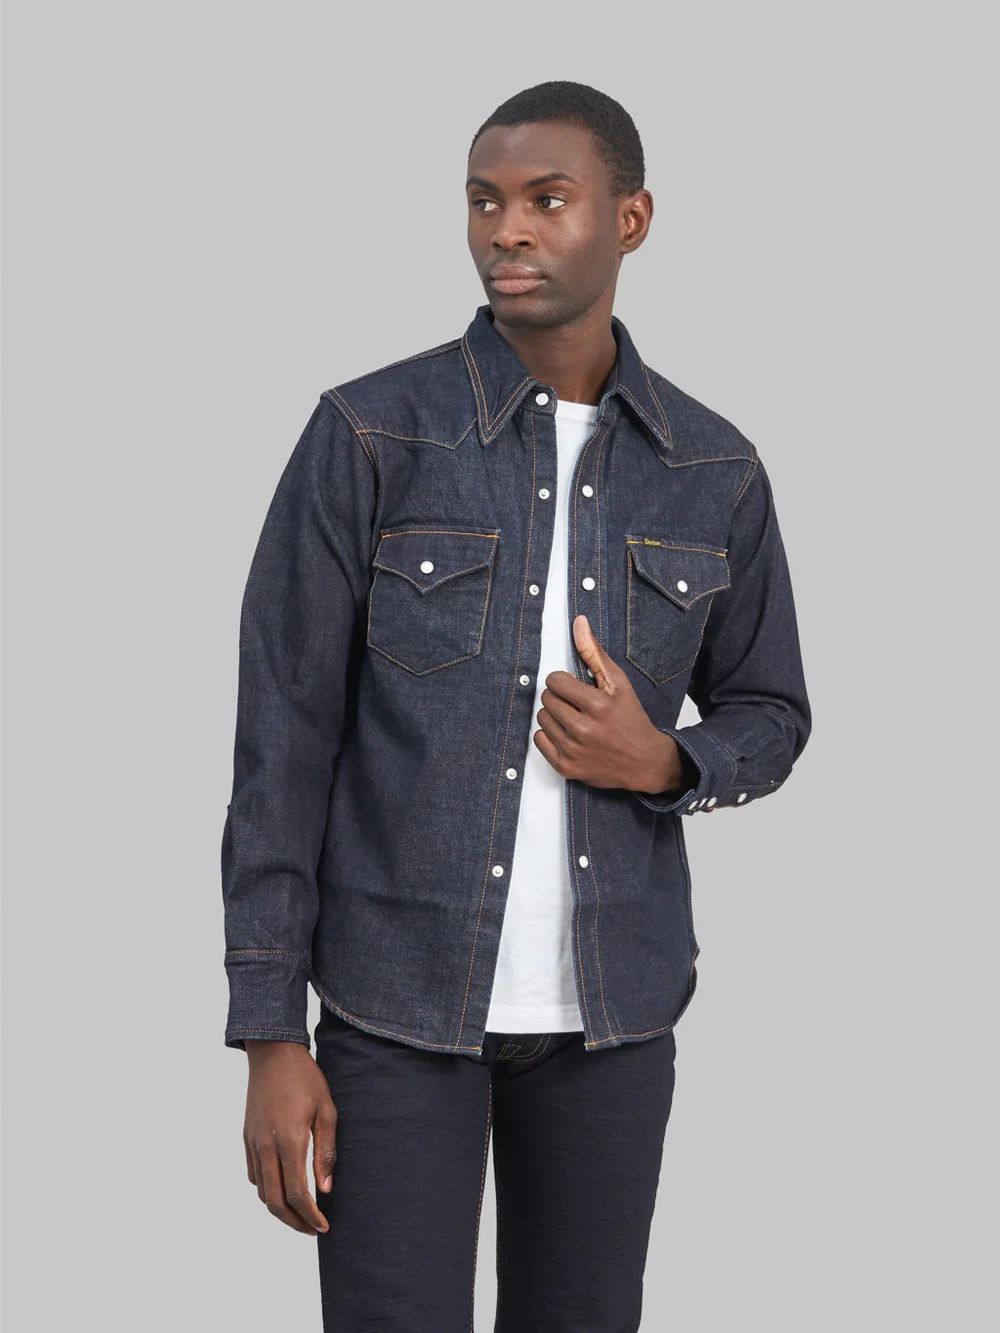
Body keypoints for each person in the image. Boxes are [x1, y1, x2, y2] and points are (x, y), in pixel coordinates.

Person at [220, 79, 812, 1332]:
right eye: (484, 202)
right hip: (392, 1012)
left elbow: (771, 711)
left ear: (630, 219)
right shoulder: (370, 435)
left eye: (548, 199)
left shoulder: (713, 468)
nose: (508, 230)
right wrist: (271, 1030)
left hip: (613, 1020)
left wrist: (664, 762)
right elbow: (282, 742)